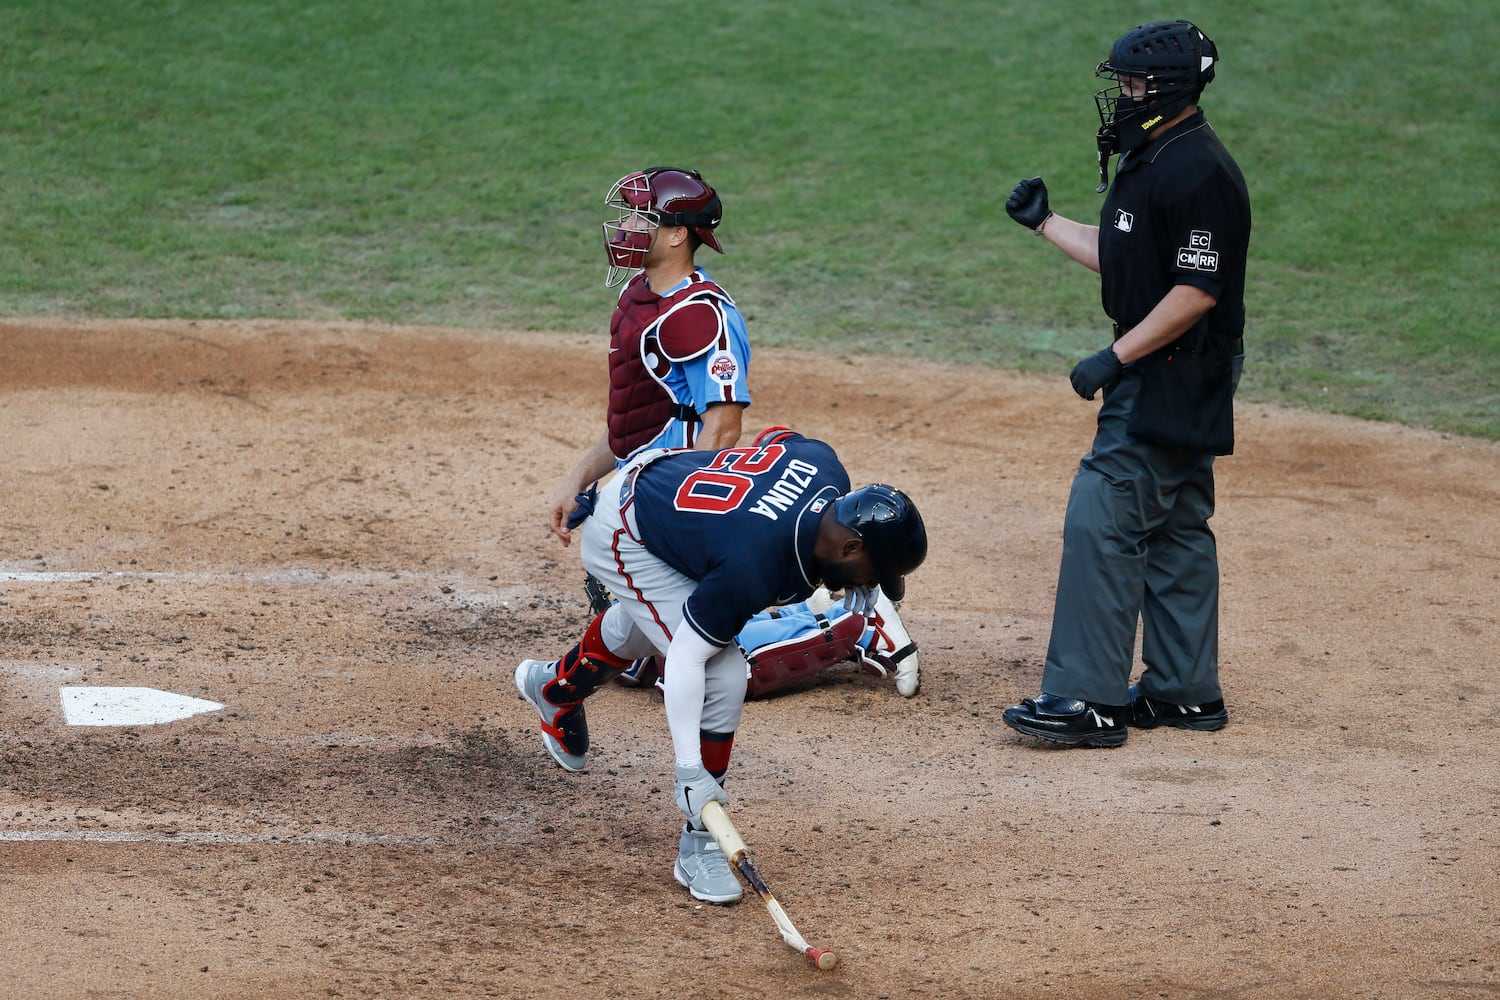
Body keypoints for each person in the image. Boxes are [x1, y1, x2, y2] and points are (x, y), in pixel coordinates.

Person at [548, 166, 920, 699]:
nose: (625, 227)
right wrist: (579, 479)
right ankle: (809, 606)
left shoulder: (701, 317)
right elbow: (636, 423)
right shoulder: (639, 298)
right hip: (644, 490)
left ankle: (853, 625)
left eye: (638, 216)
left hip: (676, 502)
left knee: (703, 667)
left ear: (677, 233)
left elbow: (721, 431)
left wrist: (692, 534)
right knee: (638, 657)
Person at [516, 427, 928, 903]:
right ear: (851, 547)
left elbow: (777, 437)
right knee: (722, 671)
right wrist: (690, 771)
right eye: (876, 572)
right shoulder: (754, 564)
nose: (873, 582)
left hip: (672, 489)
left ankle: (556, 689)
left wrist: (738, 512)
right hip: (627, 531)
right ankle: (701, 841)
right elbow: (688, 657)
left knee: (651, 622)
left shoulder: (825, 466)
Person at [998, 20, 1251, 748]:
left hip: (1172, 369)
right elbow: (1132, 259)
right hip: (1178, 365)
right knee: (1173, 527)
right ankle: (1181, 690)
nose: (1125, 96)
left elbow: (1198, 288)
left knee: (1104, 517)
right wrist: (1046, 224)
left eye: (1135, 84)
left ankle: (1086, 700)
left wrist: (1118, 357)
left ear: (1168, 87)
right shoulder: (1159, 155)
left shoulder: (1197, 168)